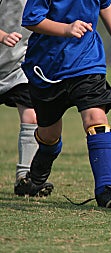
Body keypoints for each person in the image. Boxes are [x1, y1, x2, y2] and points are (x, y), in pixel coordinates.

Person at [18, 0, 111, 208]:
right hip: (47, 69)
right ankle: (39, 169)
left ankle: (107, 189)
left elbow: (105, 4)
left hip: (87, 62)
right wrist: (66, 28)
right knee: (49, 135)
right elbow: (31, 20)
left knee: (96, 120)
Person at [0, 0, 54, 197]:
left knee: (31, 116)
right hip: (3, 57)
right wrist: (3, 35)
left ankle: (25, 177)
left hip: (21, 65)